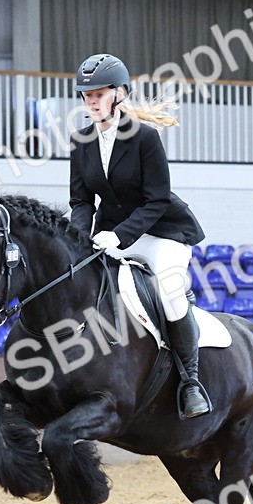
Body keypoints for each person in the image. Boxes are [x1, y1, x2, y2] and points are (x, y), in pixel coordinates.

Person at [68, 53, 211, 418]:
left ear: (119, 94)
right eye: (87, 95)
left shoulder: (144, 137)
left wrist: (119, 236)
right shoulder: (82, 141)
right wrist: (80, 239)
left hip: (162, 231)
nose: (91, 101)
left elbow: (157, 199)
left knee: (169, 292)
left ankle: (191, 381)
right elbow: (81, 201)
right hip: (109, 233)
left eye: (99, 94)